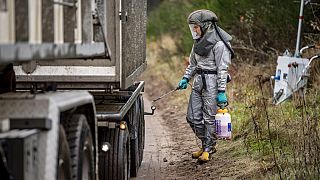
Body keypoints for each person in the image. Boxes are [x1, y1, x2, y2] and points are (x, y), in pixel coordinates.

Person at [178, 9, 233, 162]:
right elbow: (193, 64)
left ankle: (208, 147)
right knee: (192, 117)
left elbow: (222, 69)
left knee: (209, 118)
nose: (194, 30)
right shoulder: (198, 43)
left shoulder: (220, 44)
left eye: (196, 27)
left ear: (206, 25)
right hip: (198, 83)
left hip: (212, 83)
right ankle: (206, 144)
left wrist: (221, 91)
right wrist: (185, 78)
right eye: (193, 27)